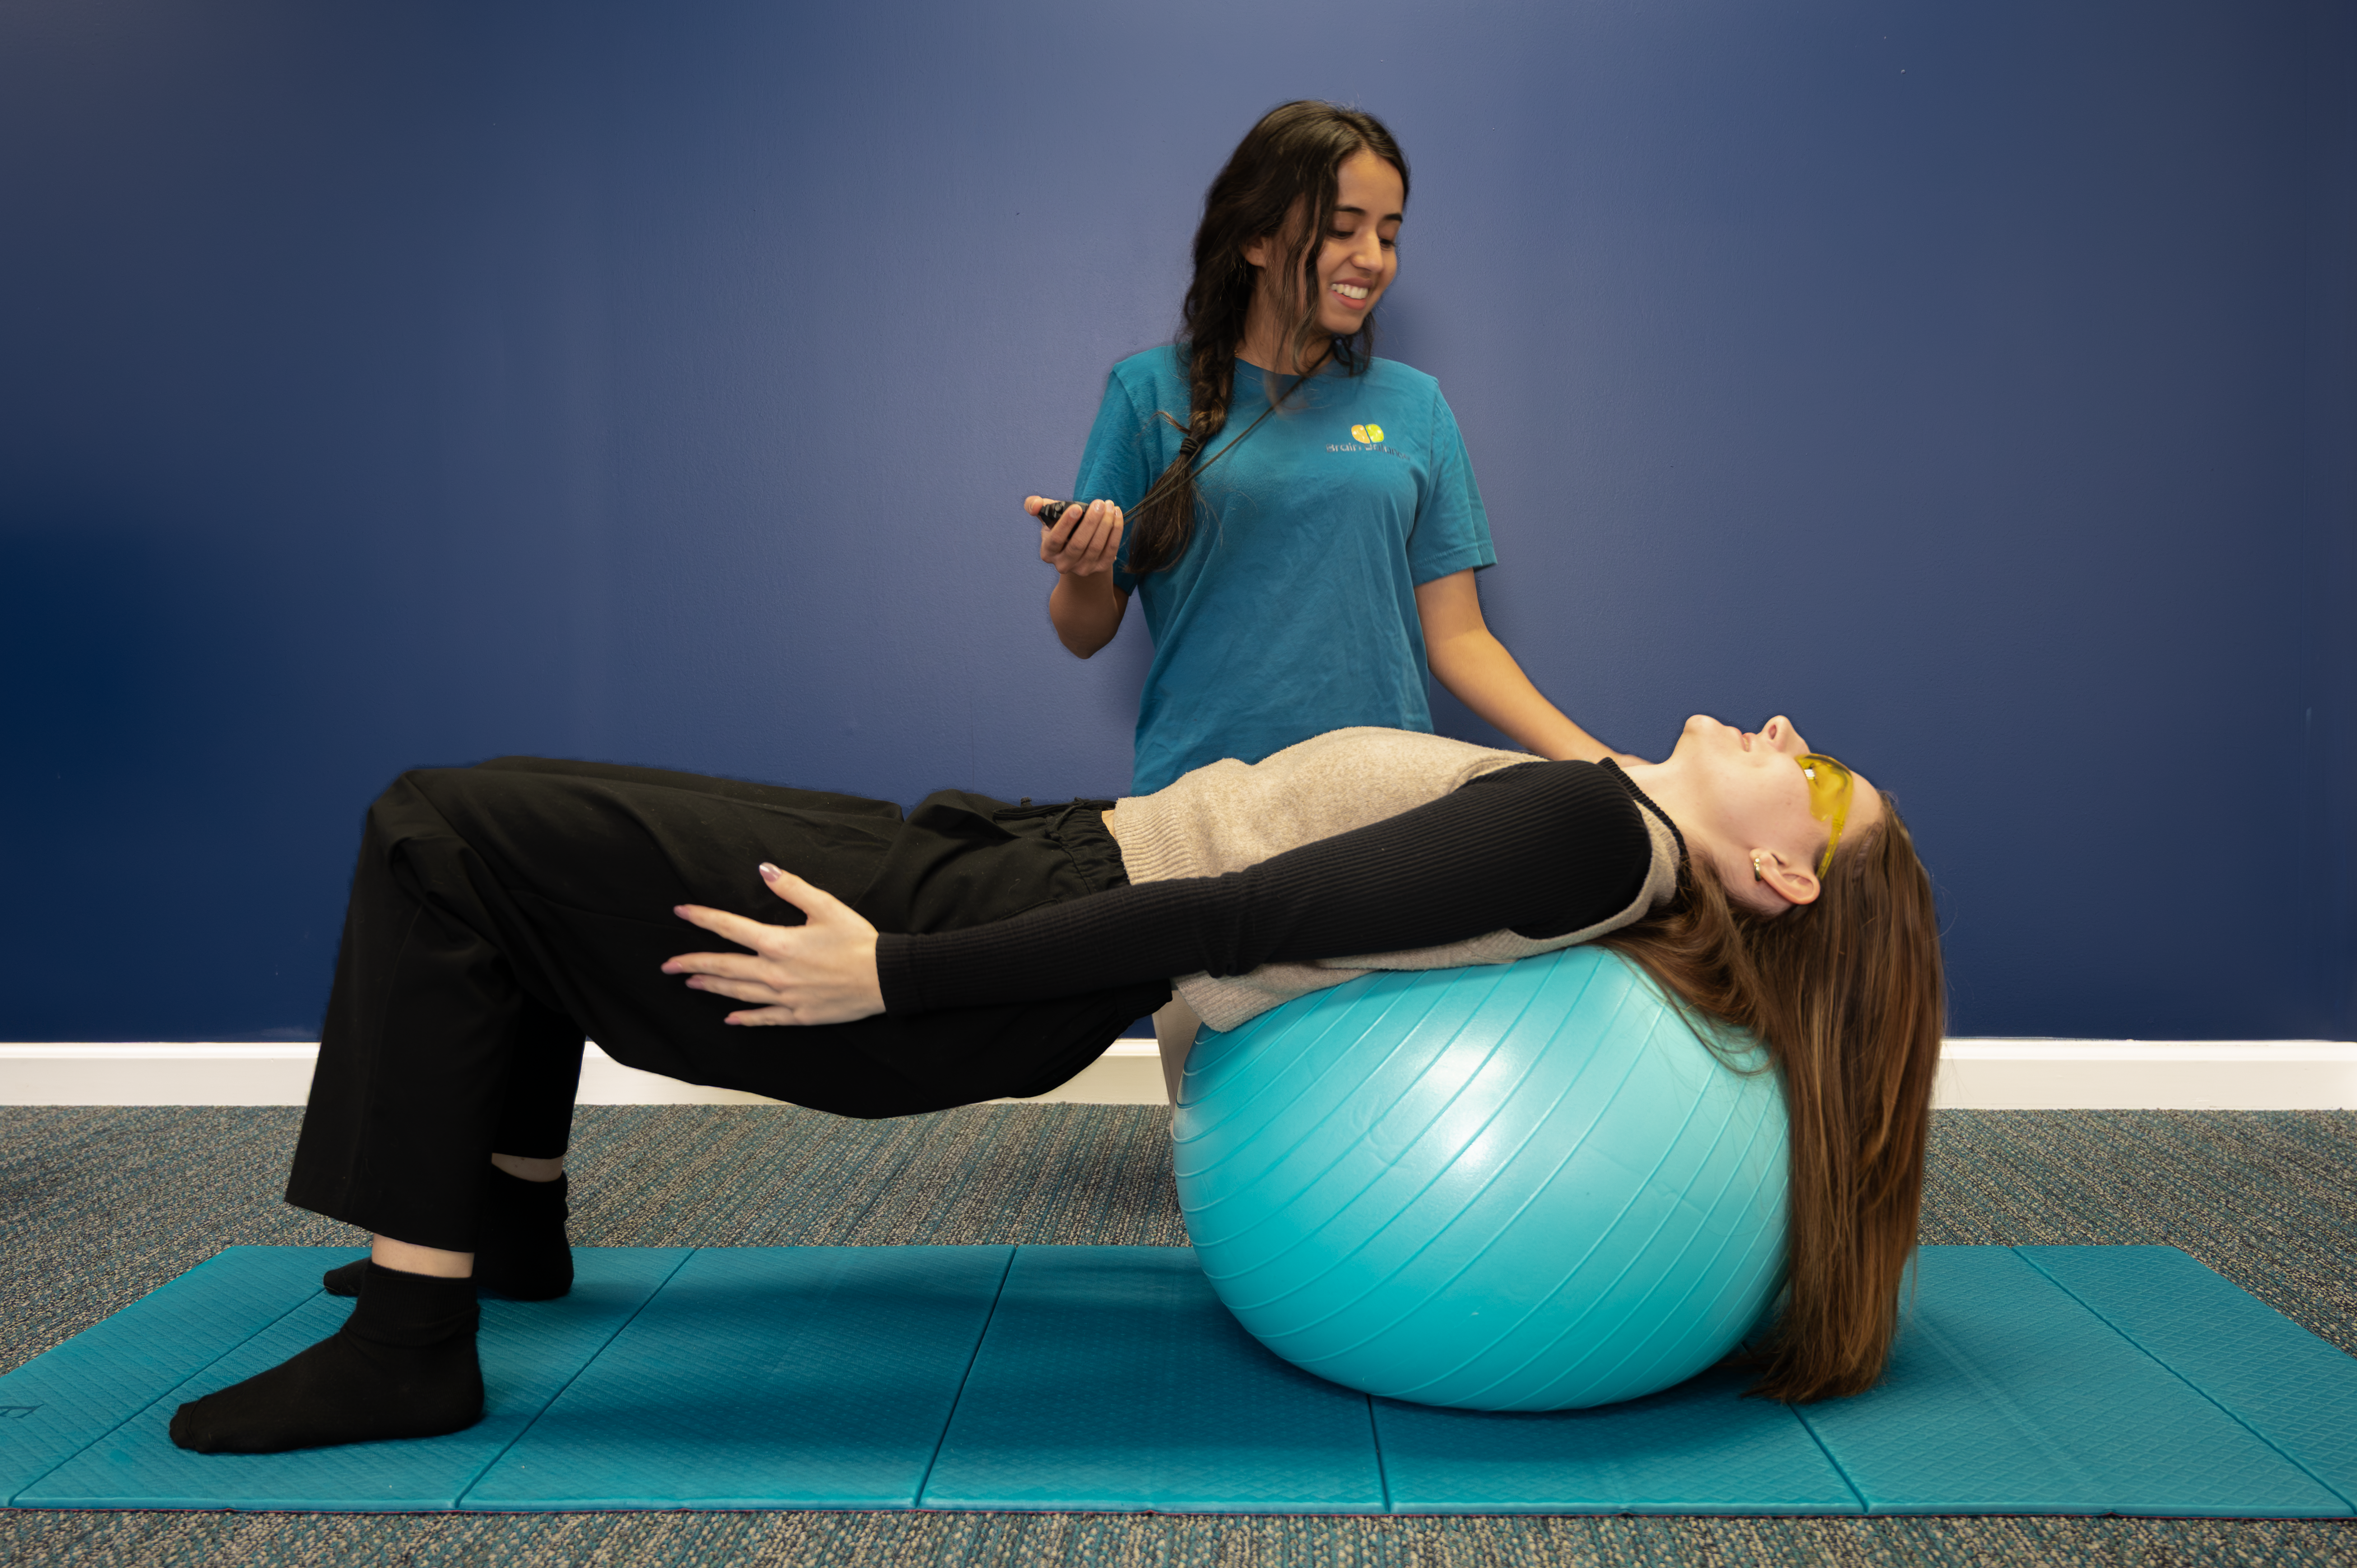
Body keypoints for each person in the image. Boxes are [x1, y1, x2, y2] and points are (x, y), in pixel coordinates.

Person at [166, 714, 1943, 1457]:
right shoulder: (1605, 834)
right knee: (515, 843)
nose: (1793, 734)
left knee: (448, 826)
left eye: (1831, 779)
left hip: (998, 934)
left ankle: (415, 1343)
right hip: (1032, 876)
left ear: (1788, 880)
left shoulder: (1592, 827)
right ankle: (513, 1226)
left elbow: (1252, 909)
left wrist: (894, 972)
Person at [1029, 102, 1625, 797]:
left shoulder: (1415, 405)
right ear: (1256, 237)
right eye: (1342, 229)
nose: (1371, 260)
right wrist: (1083, 570)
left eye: (1389, 235)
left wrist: (1606, 769)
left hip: (1384, 805)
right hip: (1202, 806)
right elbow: (1084, 631)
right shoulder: (1147, 390)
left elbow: (1460, 639)